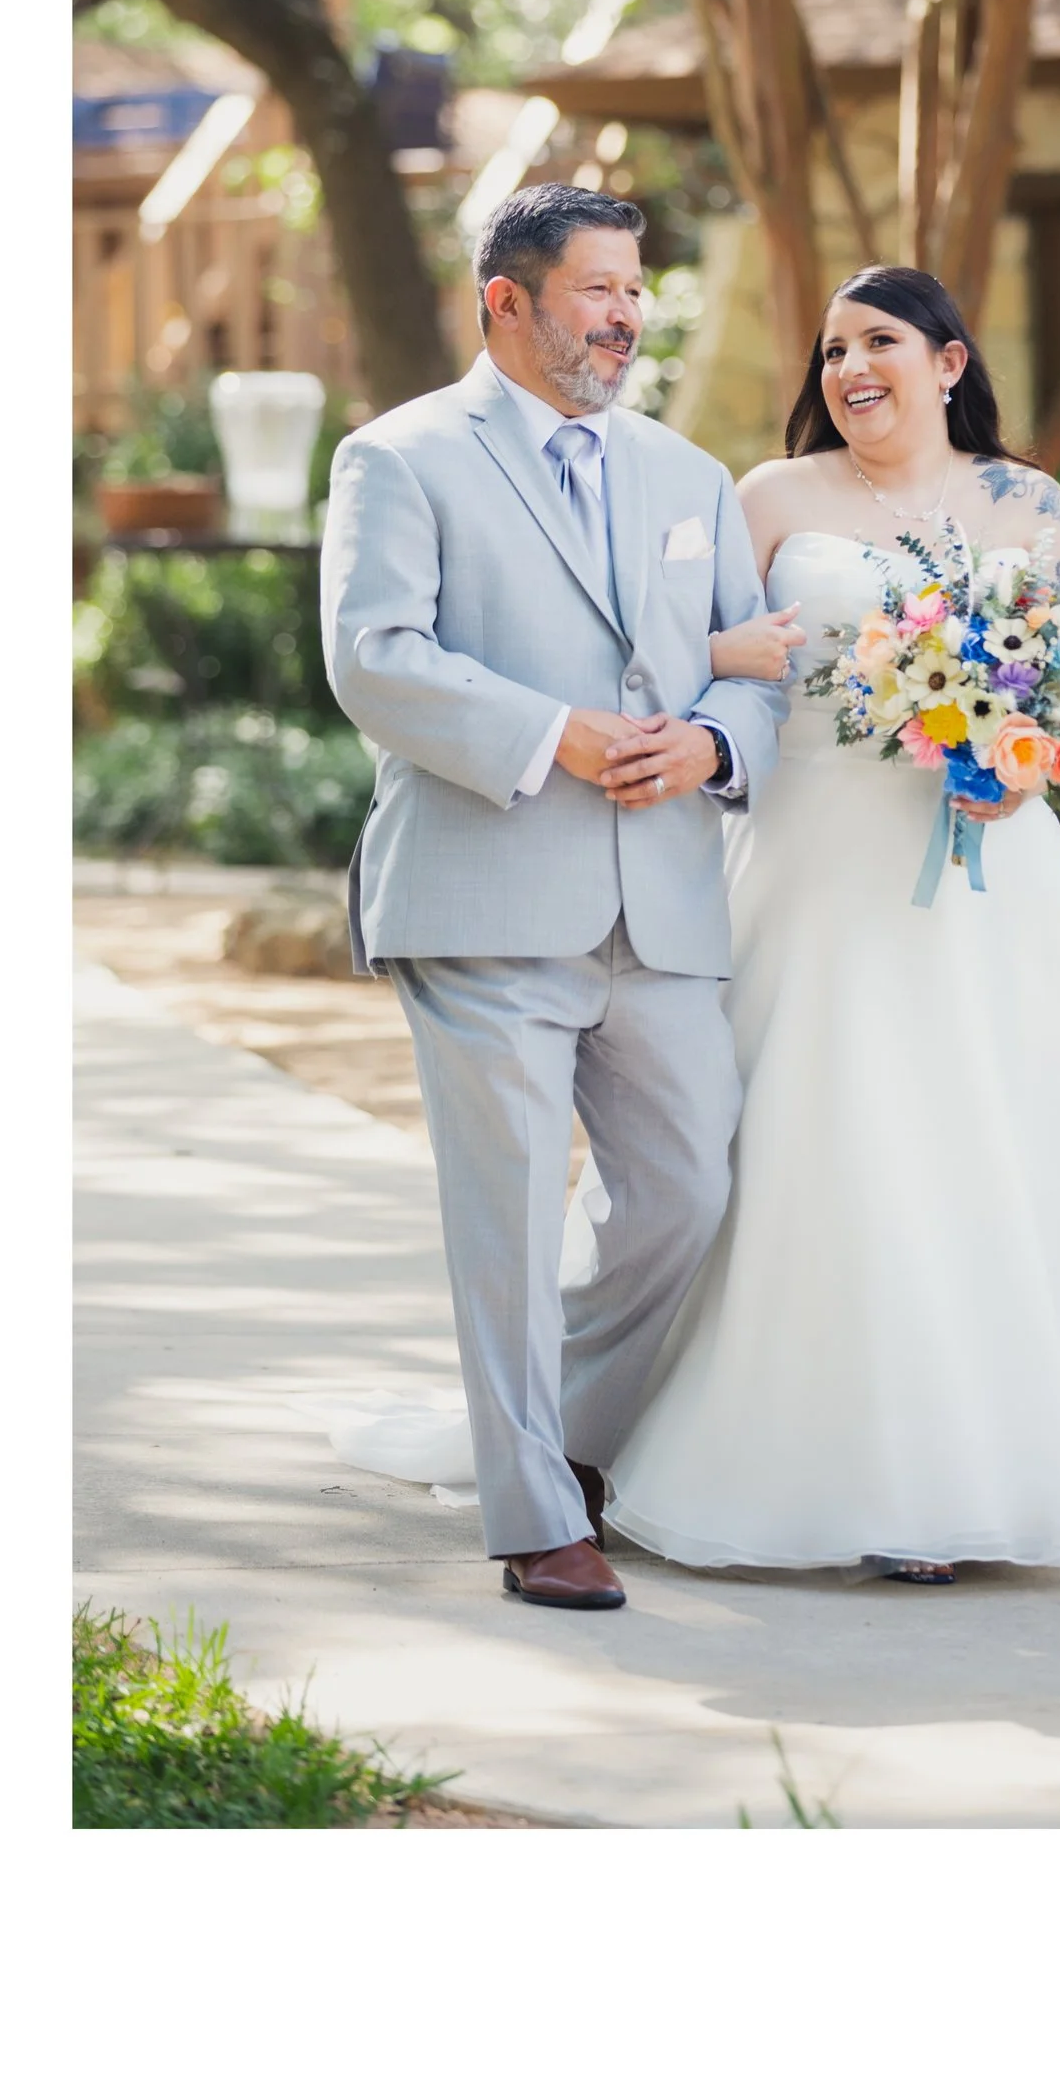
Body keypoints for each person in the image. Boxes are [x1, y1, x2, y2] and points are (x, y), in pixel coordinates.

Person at [592, 264, 1060, 1582]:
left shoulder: (1031, 504)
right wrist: (727, 676)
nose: (849, 369)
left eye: (878, 341)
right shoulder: (771, 498)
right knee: (821, 1133)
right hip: (814, 862)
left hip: (996, 882)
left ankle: (981, 1469)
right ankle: (779, 1450)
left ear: (949, 361)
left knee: (982, 1140)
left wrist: (1029, 763)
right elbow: (678, 655)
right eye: (831, 351)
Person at [317, 184, 787, 1611]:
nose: (627, 316)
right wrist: (554, 736)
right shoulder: (398, 458)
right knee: (512, 1219)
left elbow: (750, 670)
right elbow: (375, 658)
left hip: (663, 903)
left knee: (689, 1189)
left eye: (636, 289)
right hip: (484, 892)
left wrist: (712, 746)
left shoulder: (691, 477)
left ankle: (567, 1436)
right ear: (505, 302)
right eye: (598, 290)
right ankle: (536, 1515)